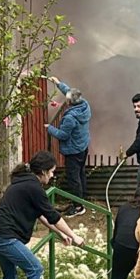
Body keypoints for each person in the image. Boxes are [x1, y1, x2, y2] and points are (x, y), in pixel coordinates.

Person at [0, 151, 85, 279]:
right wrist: (74, 236)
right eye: (52, 172)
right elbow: (54, 216)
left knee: (10, 275)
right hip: (7, 237)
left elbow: (41, 214)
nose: (53, 175)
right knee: (35, 269)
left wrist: (60, 233)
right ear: (43, 172)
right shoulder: (33, 187)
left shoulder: (23, 181)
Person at [45, 76, 92, 217]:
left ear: (69, 101)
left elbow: (63, 135)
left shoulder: (71, 118)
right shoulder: (85, 105)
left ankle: (78, 207)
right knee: (80, 174)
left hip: (73, 151)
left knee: (74, 178)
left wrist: (49, 128)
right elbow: (70, 92)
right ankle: (82, 199)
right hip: (83, 147)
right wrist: (58, 83)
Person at [110, 191, 140, 279]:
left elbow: (116, 231)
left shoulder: (124, 207)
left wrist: (115, 245)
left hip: (122, 244)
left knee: (117, 278)